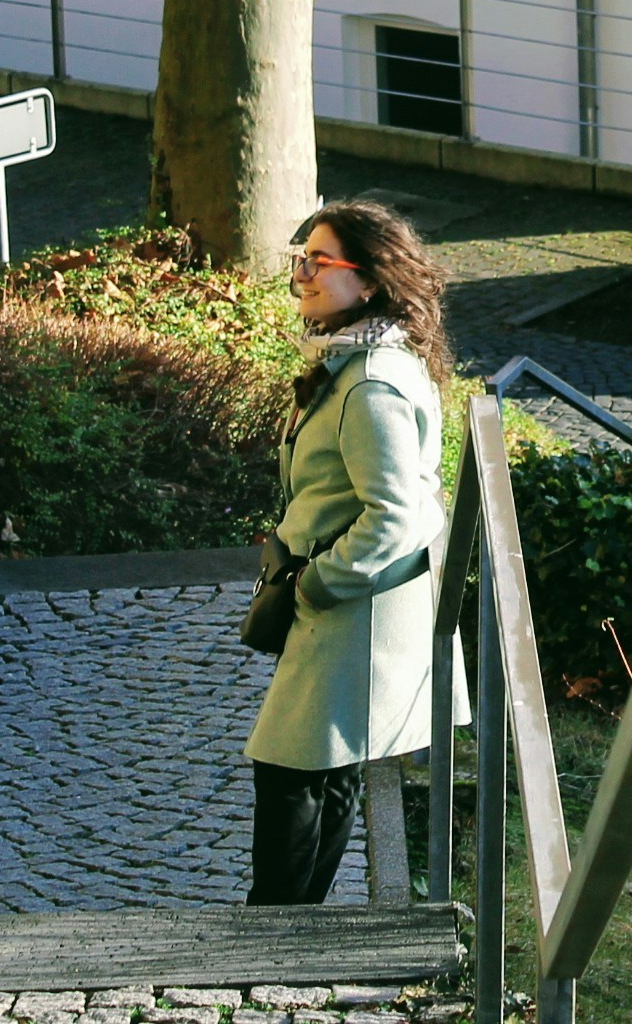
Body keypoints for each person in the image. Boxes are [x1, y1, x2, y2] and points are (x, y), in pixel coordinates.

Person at [245, 198, 457, 905]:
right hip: (353, 612)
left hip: (352, 612)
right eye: (299, 258)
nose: (301, 274)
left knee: (290, 770)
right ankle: (295, 927)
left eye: (319, 260)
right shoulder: (356, 361)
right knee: (324, 771)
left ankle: (275, 931)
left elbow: (396, 514)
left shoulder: (371, 383)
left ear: (367, 281)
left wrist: (314, 584)